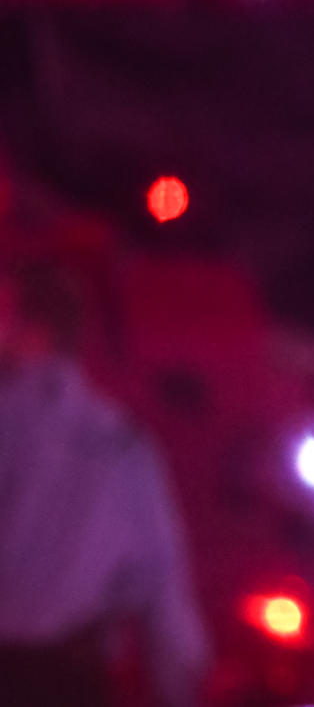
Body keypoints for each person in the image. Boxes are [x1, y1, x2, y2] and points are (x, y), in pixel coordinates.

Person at [0, 261, 210, 706]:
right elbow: (163, 590)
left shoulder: (113, 446)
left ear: (39, 331)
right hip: (67, 679)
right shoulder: (120, 444)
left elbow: (161, 585)